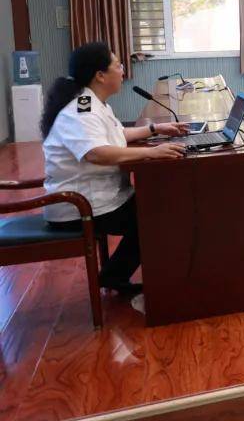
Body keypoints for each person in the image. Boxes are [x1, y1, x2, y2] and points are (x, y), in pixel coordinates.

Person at [41, 42, 188, 294]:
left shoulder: (93, 103)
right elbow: (96, 153)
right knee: (159, 216)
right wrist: (150, 153)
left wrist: (154, 129)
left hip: (99, 196)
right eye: (118, 65)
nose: (122, 71)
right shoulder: (80, 110)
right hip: (80, 205)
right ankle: (118, 277)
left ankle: (116, 275)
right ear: (100, 75)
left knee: (161, 207)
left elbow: (116, 135)